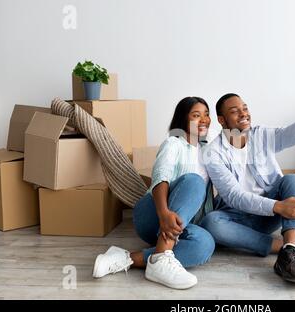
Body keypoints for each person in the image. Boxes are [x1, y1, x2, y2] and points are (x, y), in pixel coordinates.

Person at [201, 83, 295, 284]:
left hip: (272, 216)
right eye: (235, 111)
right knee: (211, 223)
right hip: (241, 217)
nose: (243, 114)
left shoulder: (261, 135)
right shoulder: (212, 153)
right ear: (222, 120)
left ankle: (289, 255)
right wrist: (279, 206)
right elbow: (234, 197)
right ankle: (288, 245)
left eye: (245, 108)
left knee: (291, 180)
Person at [92, 97, 215, 289]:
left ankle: (132, 258)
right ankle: (162, 255)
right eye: (196, 115)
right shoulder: (173, 143)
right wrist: (164, 213)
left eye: (206, 115)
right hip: (153, 213)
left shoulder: (209, 149)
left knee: (206, 244)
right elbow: (161, 176)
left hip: (179, 224)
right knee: (194, 181)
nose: (204, 120)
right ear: (183, 119)